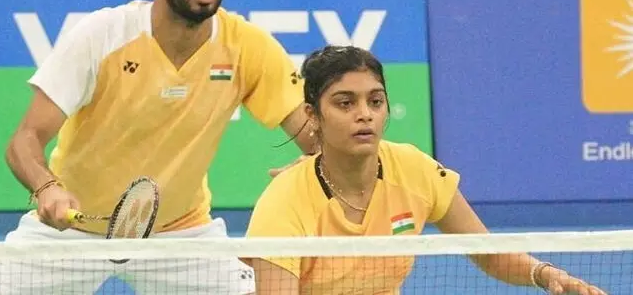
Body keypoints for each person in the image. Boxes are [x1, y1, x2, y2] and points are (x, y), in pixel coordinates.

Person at [0, 0, 315, 295]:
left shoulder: (247, 46)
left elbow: (313, 135)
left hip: (180, 232)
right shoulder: (103, 36)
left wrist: (319, 159)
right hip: (74, 229)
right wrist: (46, 188)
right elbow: (24, 140)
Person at [244, 45, 607, 295]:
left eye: (375, 101)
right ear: (312, 116)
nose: (364, 114)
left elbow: (488, 252)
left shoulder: (414, 170)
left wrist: (545, 274)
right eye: (345, 103)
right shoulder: (284, 203)